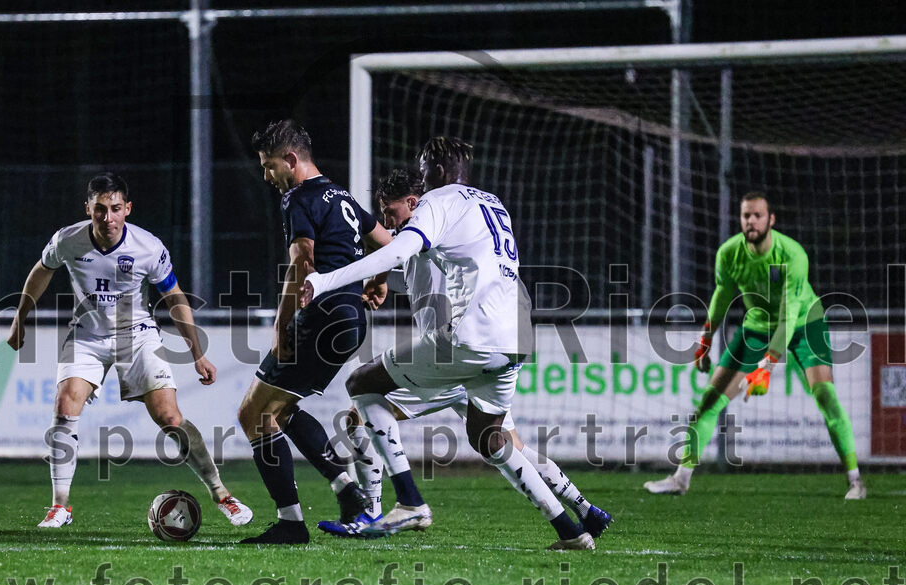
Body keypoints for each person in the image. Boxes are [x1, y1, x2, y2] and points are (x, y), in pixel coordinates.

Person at [301, 137, 603, 551]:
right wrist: (381, 277)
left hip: (468, 341)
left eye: (424, 169)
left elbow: (400, 251)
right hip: (515, 338)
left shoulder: (437, 203)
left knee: (361, 385)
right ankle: (573, 528)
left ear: (436, 170)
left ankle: (402, 503)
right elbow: (427, 263)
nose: (421, 178)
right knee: (493, 440)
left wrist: (325, 281)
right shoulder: (491, 203)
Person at [7, 172, 253, 528]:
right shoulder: (68, 240)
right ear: (88, 208)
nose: (108, 217)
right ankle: (60, 506)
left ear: (128, 209)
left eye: (115, 208)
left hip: (137, 335)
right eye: (100, 209)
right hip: (88, 334)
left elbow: (174, 297)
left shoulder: (147, 247)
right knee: (64, 404)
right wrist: (20, 318)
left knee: (169, 418)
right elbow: (41, 271)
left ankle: (222, 494)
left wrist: (197, 353)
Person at [644, 192, 865, 499]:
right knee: (710, 400)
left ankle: (855, 481)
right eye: (746, 215)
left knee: (825, 395)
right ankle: (680, 479)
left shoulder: (792, 255)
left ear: (771, 220)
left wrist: (766, 366)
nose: (751, 221)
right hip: (758, 327)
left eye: (757, 215)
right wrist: (705, 339)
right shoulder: (729, 253)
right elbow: (722, 295)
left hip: (805, 323)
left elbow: (788, 316)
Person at [237, 120, 393, 545]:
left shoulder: (297, 198)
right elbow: (390, 243)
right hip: (351, 321)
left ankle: (292, 523)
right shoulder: (342, 196)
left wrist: (281, 324)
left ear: (291, 160)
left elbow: (303, 260)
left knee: (253, 415)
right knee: (280, 411)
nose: (266, 176)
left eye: (269, 166)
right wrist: (378, 279)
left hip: (321, 316)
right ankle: (348, 493)